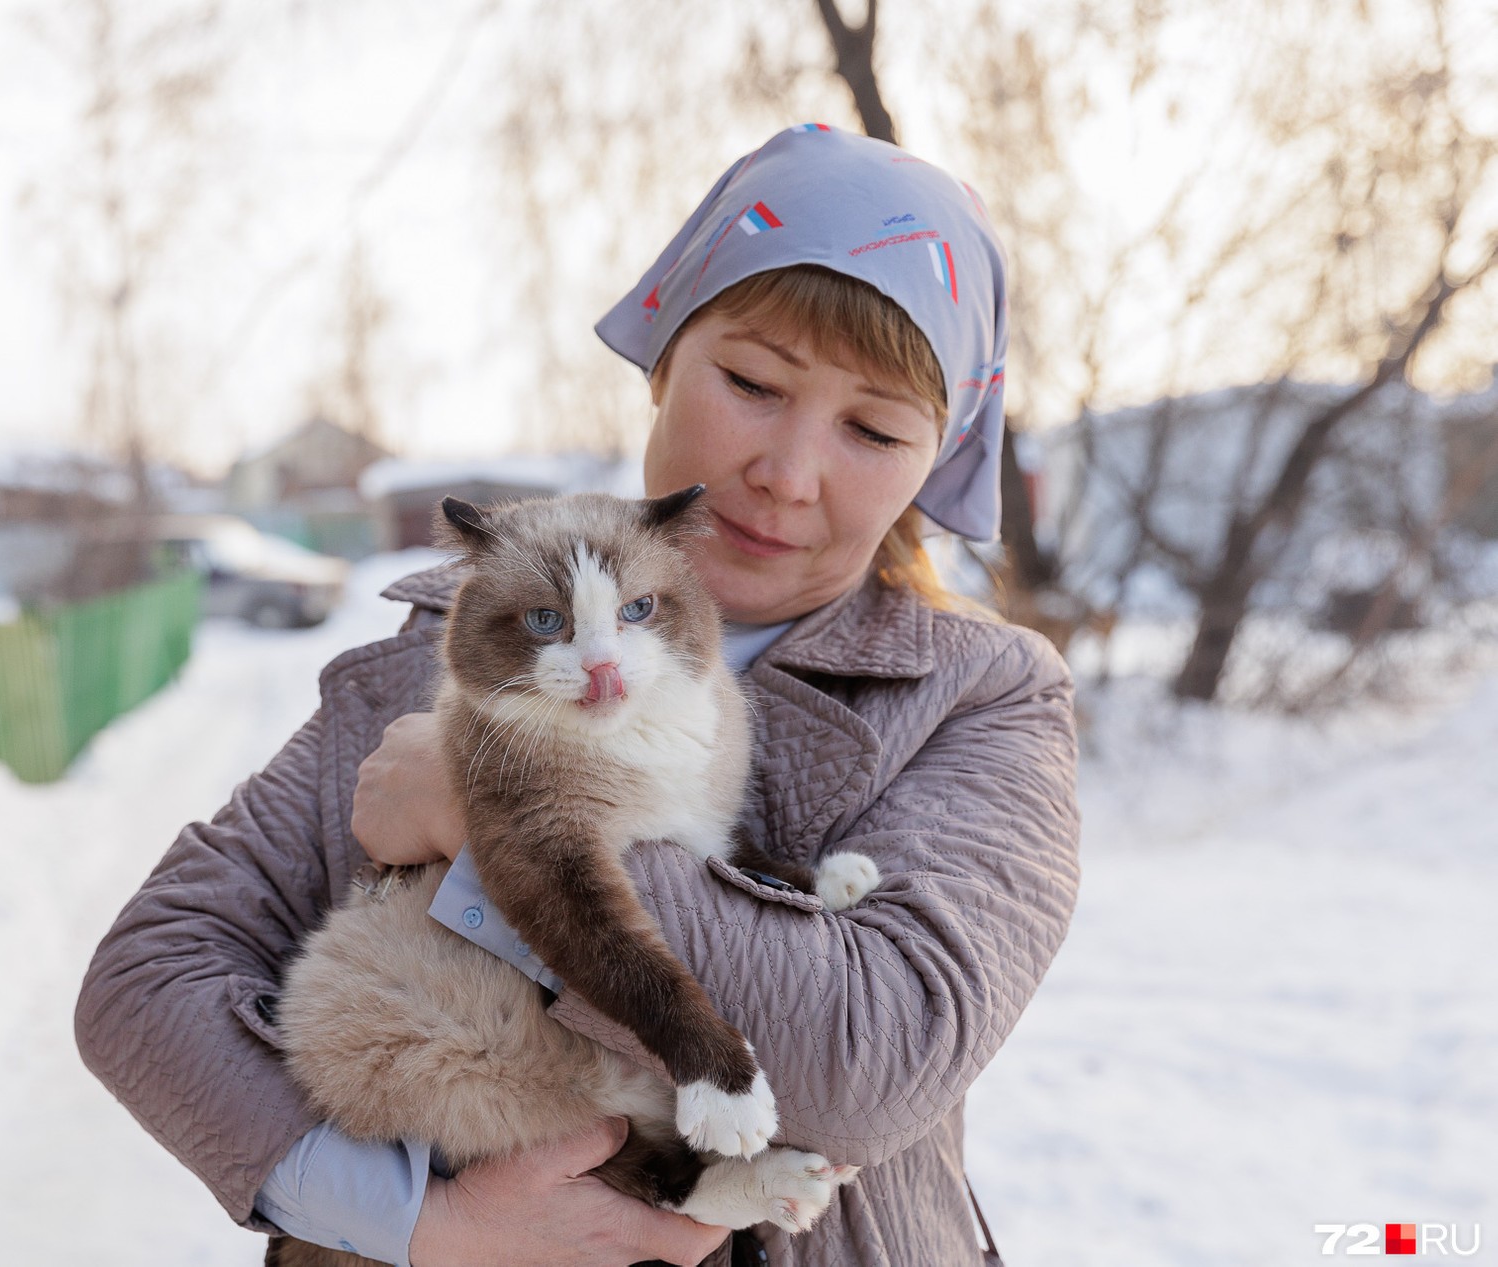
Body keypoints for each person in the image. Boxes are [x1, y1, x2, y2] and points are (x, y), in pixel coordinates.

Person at [75, 124, 1080, 1267]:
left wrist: (482, 813)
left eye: (872, 428)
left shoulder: (980, 700)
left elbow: (867, 1060)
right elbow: (145, 978)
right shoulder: (451, 644)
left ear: (936, 460)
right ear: (662, 360)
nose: (788, 472)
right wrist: (415, 1220)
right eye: (752, 382)